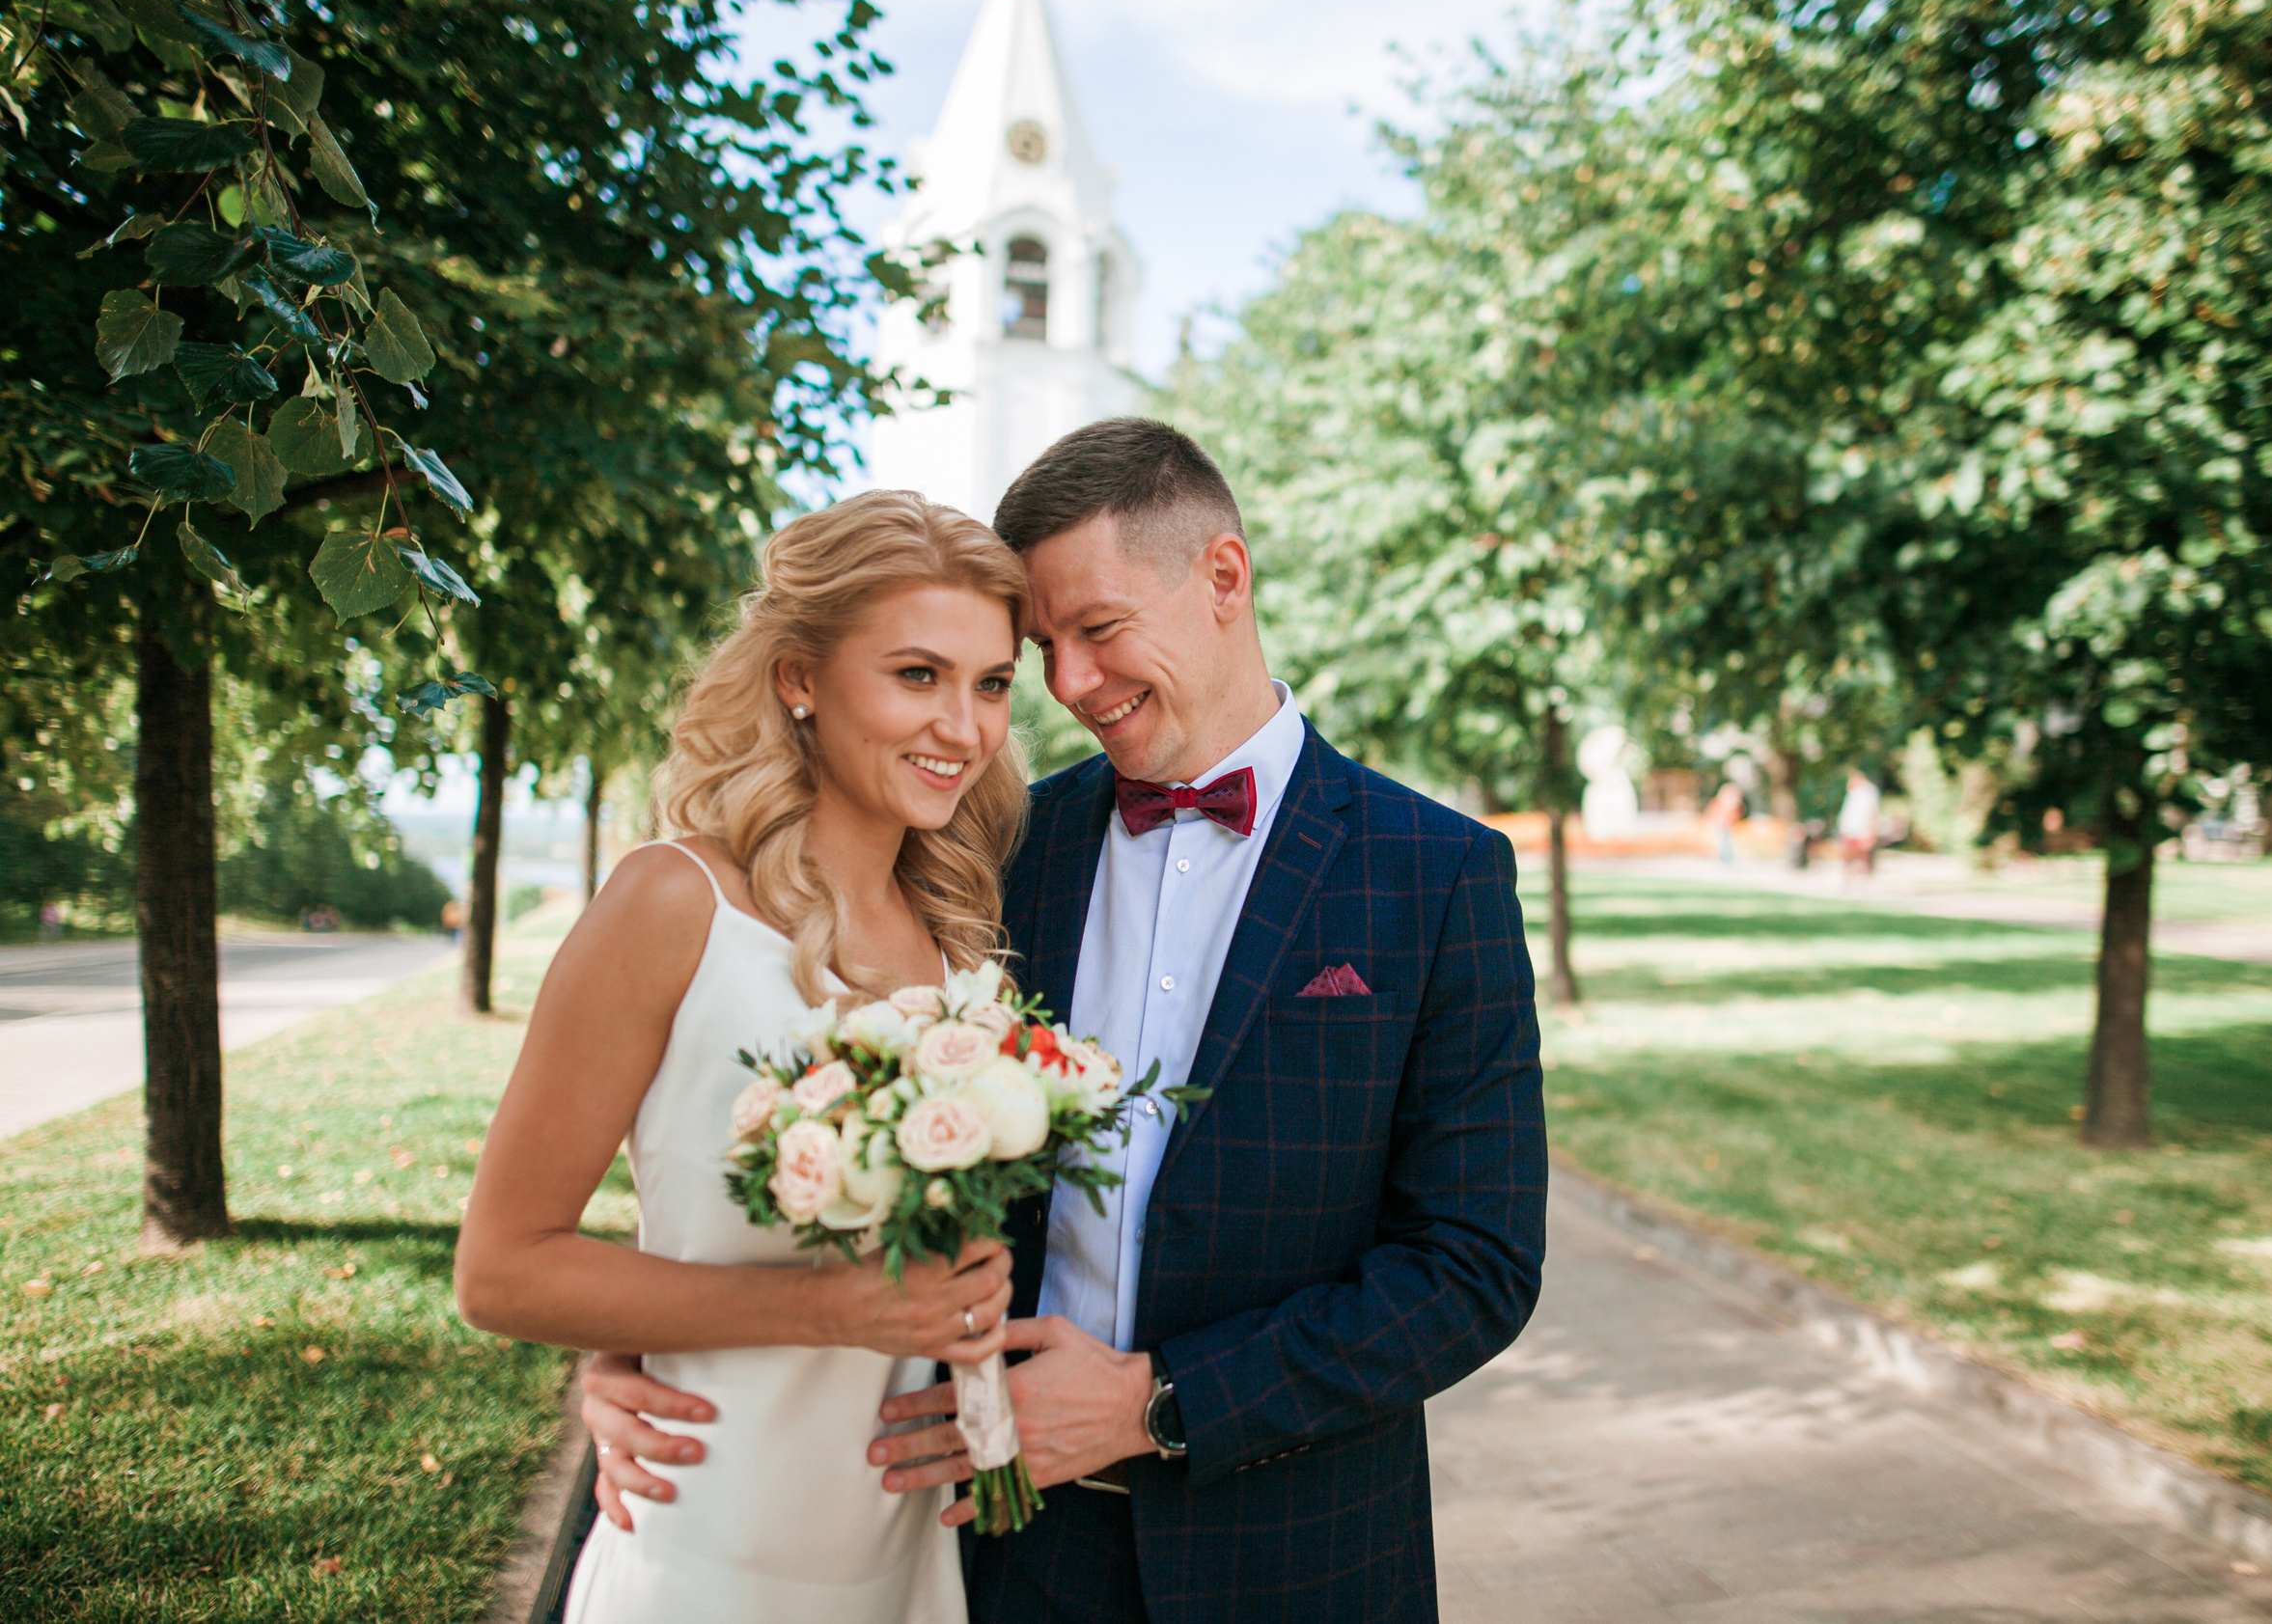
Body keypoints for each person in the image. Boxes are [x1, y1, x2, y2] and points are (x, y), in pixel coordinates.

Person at [581, 419, 1548, 1623]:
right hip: (992, 1544)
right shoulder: (986, 850)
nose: (1067, 687)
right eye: (1041, 647)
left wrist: (1160, 1399)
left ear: (1224, 579)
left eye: (1096, 630)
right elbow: (812, 1105)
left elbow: (1474, 1267)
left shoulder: (1437, 874)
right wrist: (634, 1340)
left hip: (1296, 1555)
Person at [453, 493, 1030, 1624]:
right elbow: (500, 1269)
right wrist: (834, 1310)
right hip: (706, 1536)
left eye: (993, 683)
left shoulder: (969, 943)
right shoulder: (672, 904)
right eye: (917, 675)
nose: (963, 727)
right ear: (797, 678)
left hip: (906, 1548)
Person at [1838, 768, 1881, 884]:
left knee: (1863, 857)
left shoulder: (1868, 791)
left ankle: (1863, 881)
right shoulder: (1853, 792)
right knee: (1848, 855)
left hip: (1862, 830)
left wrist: (1871, 831)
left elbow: (1873, 812)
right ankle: (1848, 879)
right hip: (1850, 830)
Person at [1704, 779, 1745, 866]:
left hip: (1728, 825)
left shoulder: (1733, 804)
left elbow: (1738, 813)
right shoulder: (1719, 802)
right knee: (1721, 842)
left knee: (1728, 842)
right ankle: (1724, 859)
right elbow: (1713, 812)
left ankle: (1727, 859)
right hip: (1721, 825)